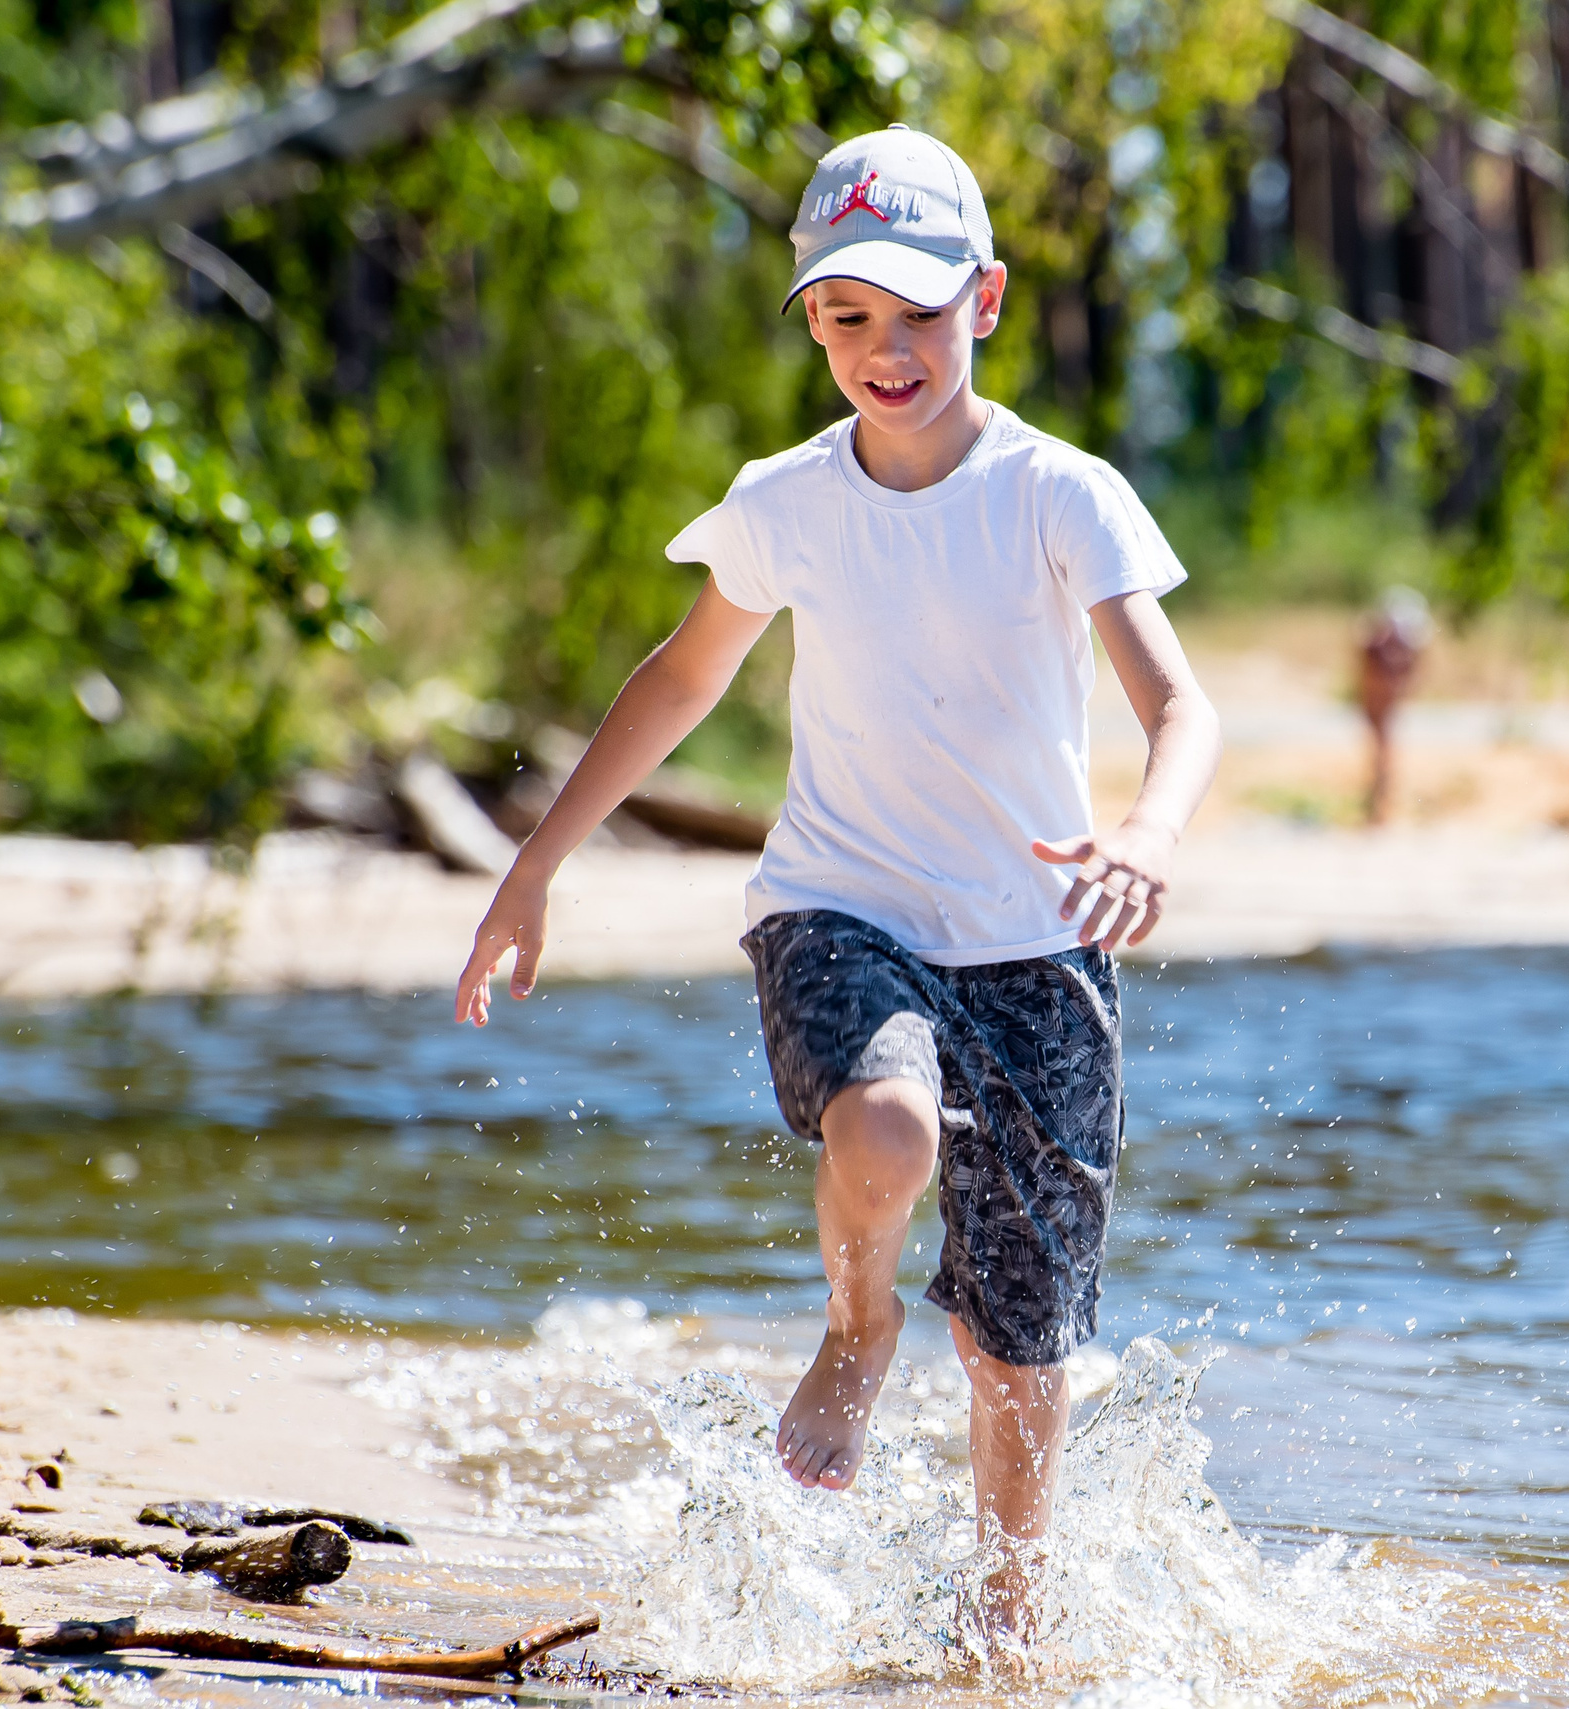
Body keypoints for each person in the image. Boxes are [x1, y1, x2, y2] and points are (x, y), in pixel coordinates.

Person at [453, 126, 1221, 1630]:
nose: (886, 349)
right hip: (838, 904)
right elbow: (676, 682)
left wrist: (1148, 835)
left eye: (919, 314)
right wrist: (535, 868)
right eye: (847, 316)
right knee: (882, 1122)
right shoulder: (786, 500)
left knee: (1021, 1347)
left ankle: (1006, 1624)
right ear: (809, 315)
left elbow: (1182, 707)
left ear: (986, 302)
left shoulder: (1064, 494)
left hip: (1039, 947)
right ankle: (859, 1329)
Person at [1355, 588, 1430, 824]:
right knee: (1382, 753)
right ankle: (1379, 809)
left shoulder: (1381, 647)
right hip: (1377, 705)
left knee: (1383, 753)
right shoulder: (1376, 647)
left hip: (1381, 705)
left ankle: (1380, 809)